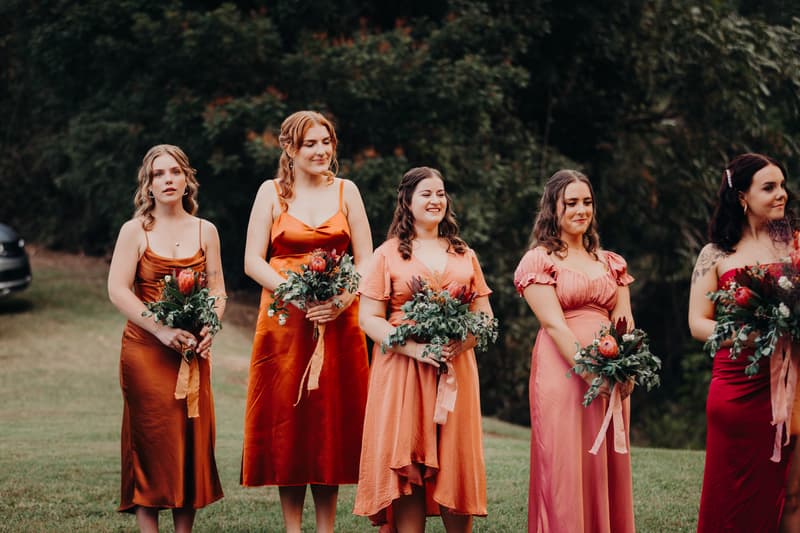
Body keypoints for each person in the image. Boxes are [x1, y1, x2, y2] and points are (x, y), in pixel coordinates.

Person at [240, 110, 372, 533]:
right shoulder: (271, 192)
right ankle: (292, 527)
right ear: (290, 149)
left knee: (329, 419)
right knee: (289, 420)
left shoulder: (346, 191)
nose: (320, 151)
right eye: (310, 143)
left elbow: (369, 261)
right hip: (284, 323)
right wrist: (295, 293)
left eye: (326, 142)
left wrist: (341, 299)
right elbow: (251, 260)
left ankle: (326, 527)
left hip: (339, 318)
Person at [354, 166, 492, 532]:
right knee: (410, 459)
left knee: (455, 459)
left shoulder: (465, 254)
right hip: (402, 371)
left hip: (455, 370)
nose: (436, 201)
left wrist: (458, 344)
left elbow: (485, 317)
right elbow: (368, 318)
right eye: (426, 194)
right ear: (407, 201)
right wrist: (415, 349)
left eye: (441, 193)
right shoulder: (386, 255)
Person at [107, 144, 226, 532]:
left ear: (187, 179)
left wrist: (210, 326)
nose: (168, 179)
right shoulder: (135, 231)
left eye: (174, 171)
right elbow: (118, 290)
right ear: (149, 185)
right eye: (159, 174)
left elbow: (219, 291)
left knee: (188, 443)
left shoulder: (206, 231)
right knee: (153, 443)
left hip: (191, 353)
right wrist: (160, 330)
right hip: (146, 352)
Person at [513, 169, 636, 532]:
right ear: (553, 208)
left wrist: (624, 369)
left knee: (607, 464)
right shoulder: (539, 261)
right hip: (563, 371)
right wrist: (589, 372)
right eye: (571, 203)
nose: (581, 210)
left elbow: (625, 319)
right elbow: (553, 324)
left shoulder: (611, 262)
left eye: (587, 202)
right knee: (565, 462)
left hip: (612, 370)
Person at [689, 153, 797, 532]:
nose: (781, 194)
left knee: (789, 493)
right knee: (729, 493)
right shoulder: (716, 254)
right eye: (769, 187)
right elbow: (698, 323)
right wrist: (748, 334)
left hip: (791, 384)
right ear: (742, 198)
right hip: (737, 385)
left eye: (783, 185)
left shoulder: (793, 246)